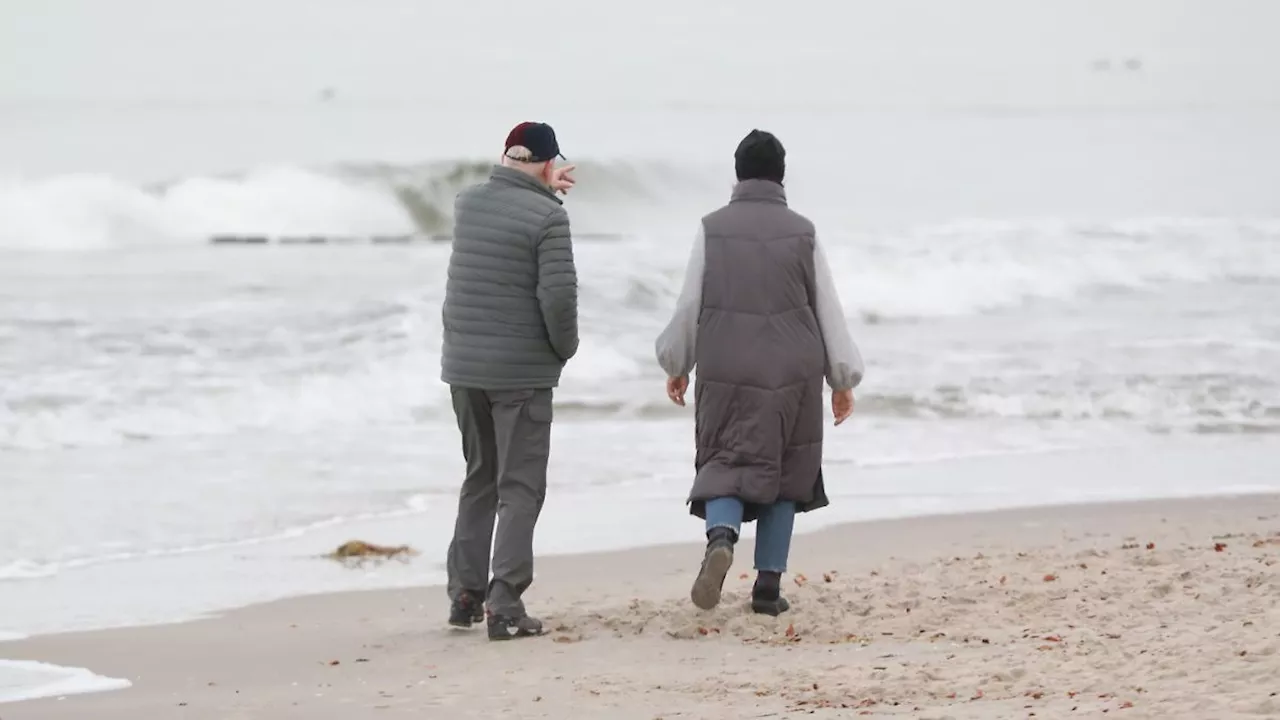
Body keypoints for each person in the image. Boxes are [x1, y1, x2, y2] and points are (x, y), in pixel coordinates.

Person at [655, 129, 864, 616]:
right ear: (782, 174)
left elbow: (690, 301)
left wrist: (677, 362)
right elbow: (826, 306)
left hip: (726, 360)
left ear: (737, 172)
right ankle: (767, 586)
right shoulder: (803, 231)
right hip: (794, 367)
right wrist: (843, 378)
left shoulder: (712, 227)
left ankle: (722, 536)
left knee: (726, 461)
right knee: (787, 469)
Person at [440, 121, 578, 640]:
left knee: (480, 477)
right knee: (519, 487)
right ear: (548, 164)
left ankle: (464, 594)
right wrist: (564, 351)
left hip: (464, 367)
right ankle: (505, 605)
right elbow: (559, 300)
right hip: (519, 372)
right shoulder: (548, 217)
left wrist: (540, 185)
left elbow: (506, 204)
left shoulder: (466, 203)